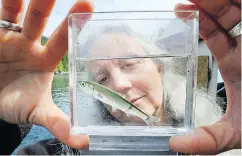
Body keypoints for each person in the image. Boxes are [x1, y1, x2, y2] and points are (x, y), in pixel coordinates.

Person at [0, 0, 240, 155]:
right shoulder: (61, 149)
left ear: (159, 67)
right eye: (102, 79)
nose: (120, 85)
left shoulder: (227, 125)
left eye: (129, 63)